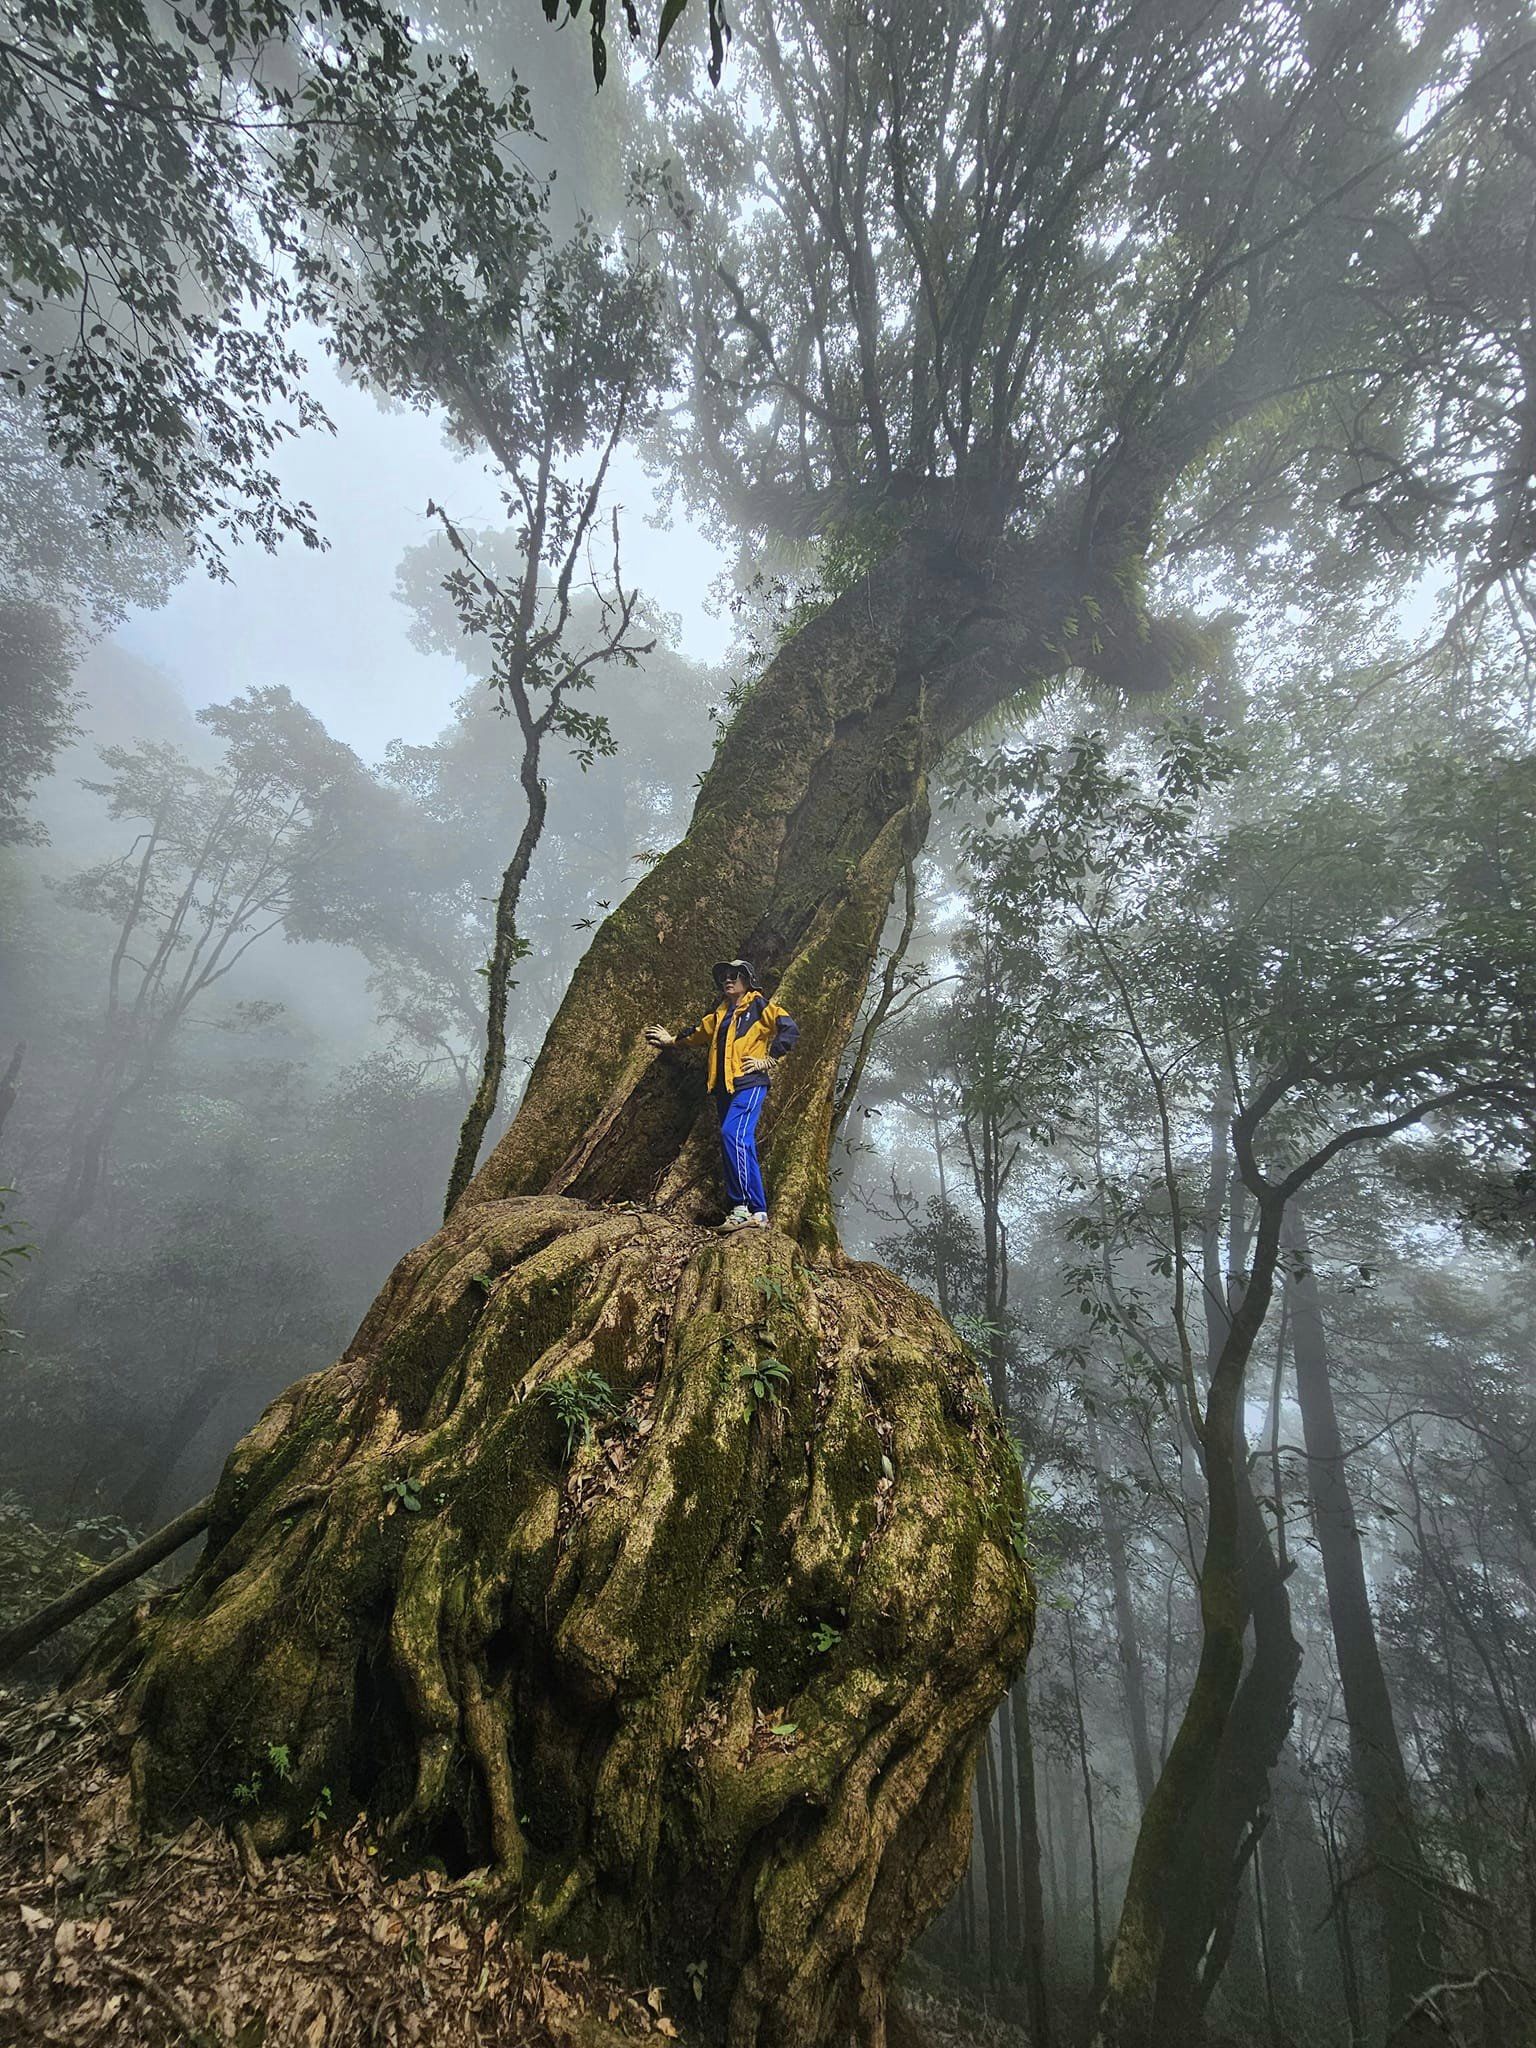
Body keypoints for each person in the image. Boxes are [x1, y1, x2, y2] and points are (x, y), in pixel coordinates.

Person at [645, 959, 798, 1231]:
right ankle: (759, 1213)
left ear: (747, 979)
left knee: (732, 1135)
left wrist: (769, 1059)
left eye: (735, 975)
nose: (728, 979)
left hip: (749, 1083)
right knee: (742, 1144)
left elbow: (789, 1028)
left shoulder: (760, 1005)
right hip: (723, 1089)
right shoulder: (719, 1015)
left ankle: (741, 1208)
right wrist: (670, 1041)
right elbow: (696, 1033)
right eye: (725, 976)